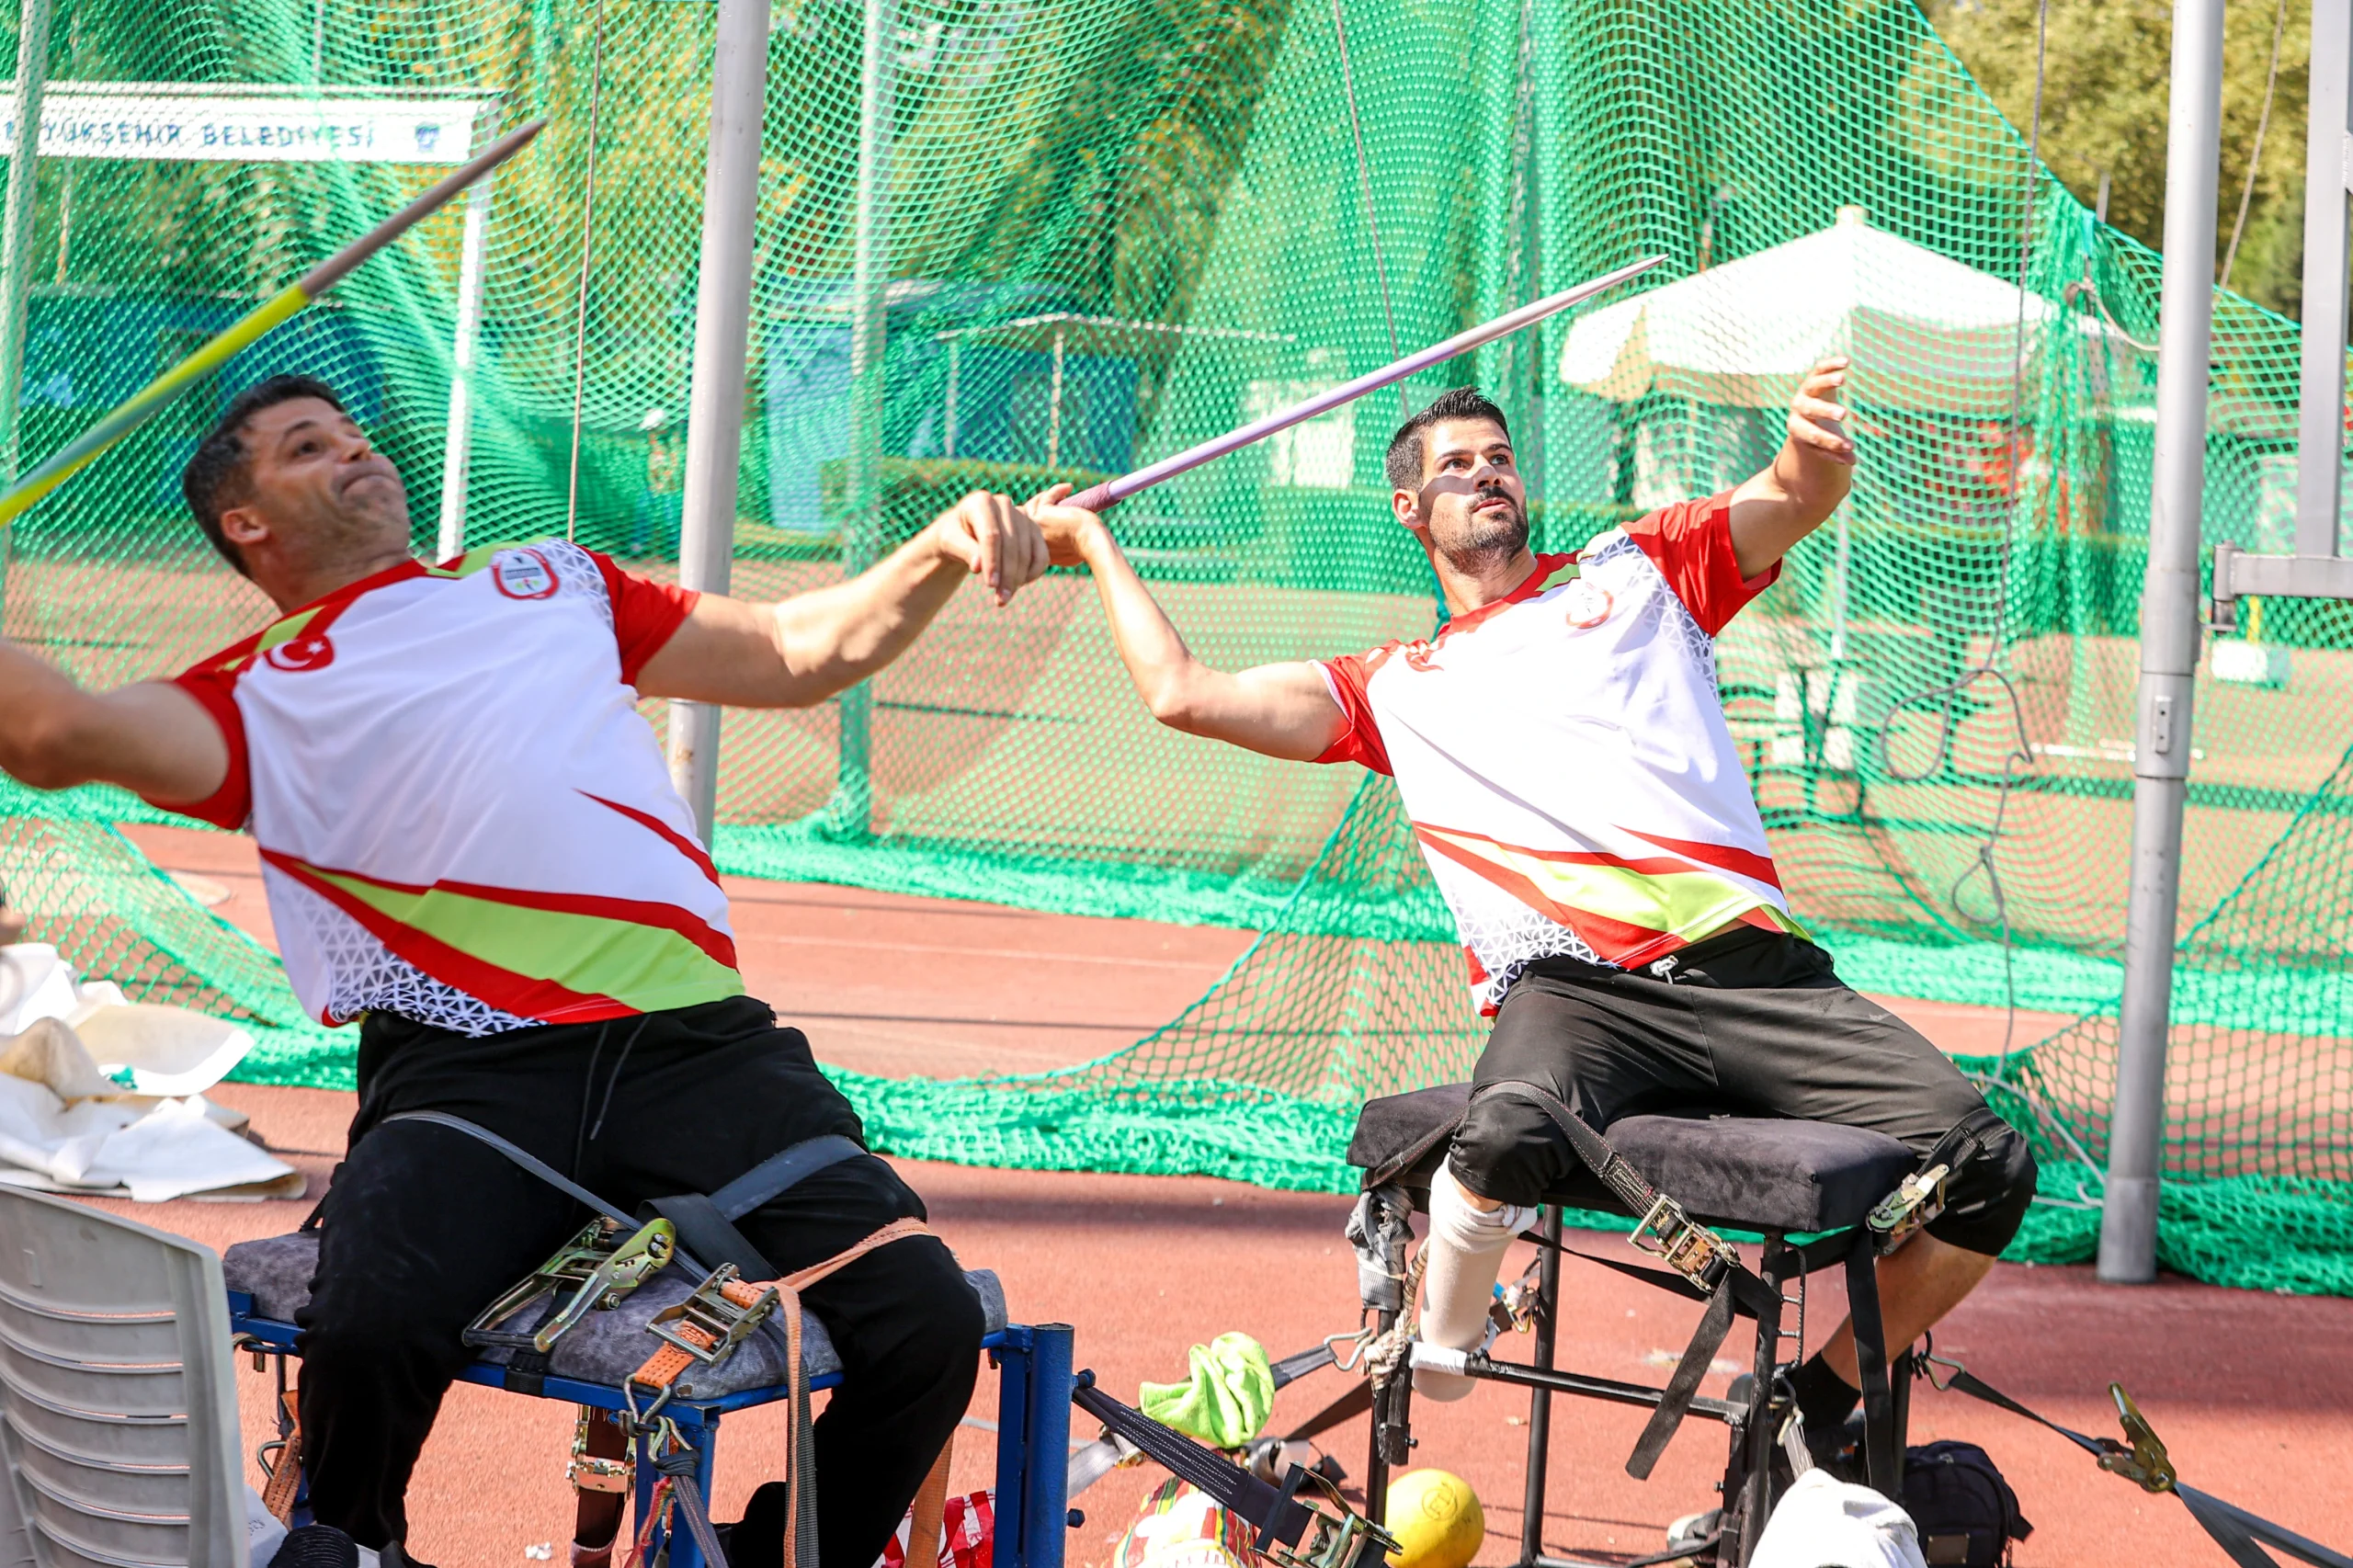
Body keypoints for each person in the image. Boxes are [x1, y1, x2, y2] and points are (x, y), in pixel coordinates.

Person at [0, 374, 1058, 1568]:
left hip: (701, 1049)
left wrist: (930, 549)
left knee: (923, 1323)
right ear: (247, 522)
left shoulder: (552, 586)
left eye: (353, 434)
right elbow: (56, 735)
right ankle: (352, 1546)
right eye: (308, 448)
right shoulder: (264, 692)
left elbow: (795, 649)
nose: (357, 453)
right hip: (470, 1076)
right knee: (374, 1322)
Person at [1030, 358, 2036, 1462]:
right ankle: (1441, 1346)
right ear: (1412, 509)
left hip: (1755, 975)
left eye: (1499, 457)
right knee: (1502, 1127)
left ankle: (1814, 1397)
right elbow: (1182, 691)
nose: (1487, 475)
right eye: (1456, 466)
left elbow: (1790, 498)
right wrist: (1095, 546)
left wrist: (1809, 448)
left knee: (1989, 1165)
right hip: (1581, 994)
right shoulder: (1391, 686)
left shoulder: (1636, 570)